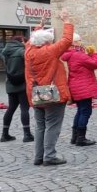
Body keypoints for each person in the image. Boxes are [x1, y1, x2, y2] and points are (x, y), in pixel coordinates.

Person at [25, 9, 74, 165]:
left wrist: (41, 25)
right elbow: (67, 40)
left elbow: (32, 39)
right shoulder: (50, 51)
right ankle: (50, 156)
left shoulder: (28, 51)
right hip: (52, 94)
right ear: (46, 42)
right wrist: (66, 20)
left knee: (40, 126)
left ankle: (38, 156)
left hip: (35, 94)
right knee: (52, 126)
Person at [60, 34, 97, 147]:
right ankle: (81, 138)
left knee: (80, 111)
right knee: (85, 111)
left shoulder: (71, 54)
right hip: (83, 87)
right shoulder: (78, 55)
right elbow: (95, 64)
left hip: (75, 86)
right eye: (79, 41)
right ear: (74, 43)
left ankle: (75, 137)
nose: (81, 42)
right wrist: (94, 53)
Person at [0, 35, 34, 143]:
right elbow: (30, 62)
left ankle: (4, 134)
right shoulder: (21, 51)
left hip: (10, 84)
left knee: (11, 108)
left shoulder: (5, 52)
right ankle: (27, 134)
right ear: (22, 41)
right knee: (24, 108)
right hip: (22, 83)